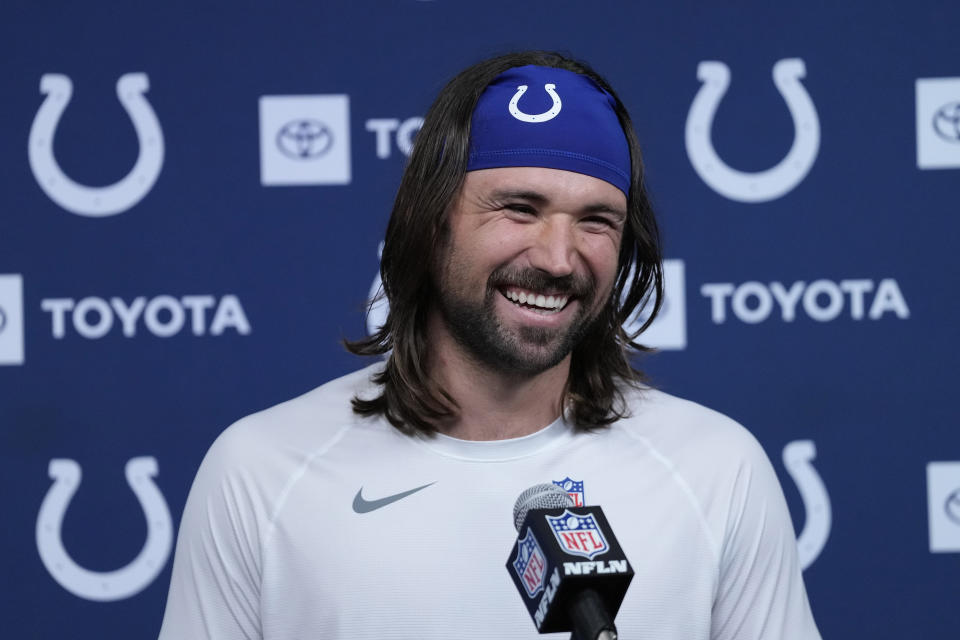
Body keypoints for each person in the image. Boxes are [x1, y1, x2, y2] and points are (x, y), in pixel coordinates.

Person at [158, 51, 821, 639]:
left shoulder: (716, 471)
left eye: (596, 221)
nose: (560, 258)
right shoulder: (260, 473)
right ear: (432, 225)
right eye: (519, 209)